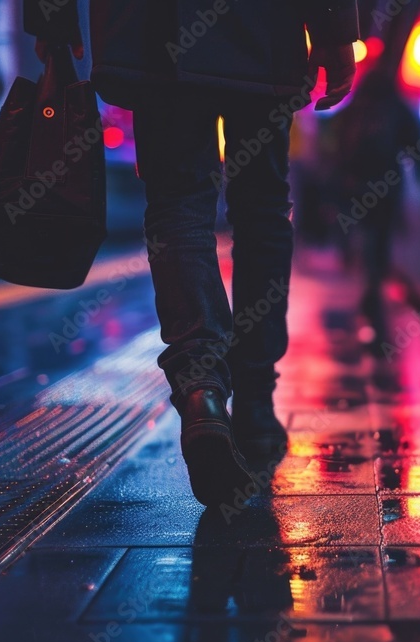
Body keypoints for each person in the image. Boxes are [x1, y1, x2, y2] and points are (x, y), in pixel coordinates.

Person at [24, 0, 359, 507]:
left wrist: (52, 17)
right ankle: (255, 402)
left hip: (154, 29)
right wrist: (335, 29)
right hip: (264, 30)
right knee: (263, 210)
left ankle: (201, 386)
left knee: (178, 201)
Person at [330, 69, 418, 356]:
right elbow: (414, 143)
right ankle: (373, 284)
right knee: (380, 239)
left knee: (367, 235)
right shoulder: (395, 106)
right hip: (387, 186)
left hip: (357, 187)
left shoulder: (355, 109)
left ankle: (370, 283)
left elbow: (339, 150)